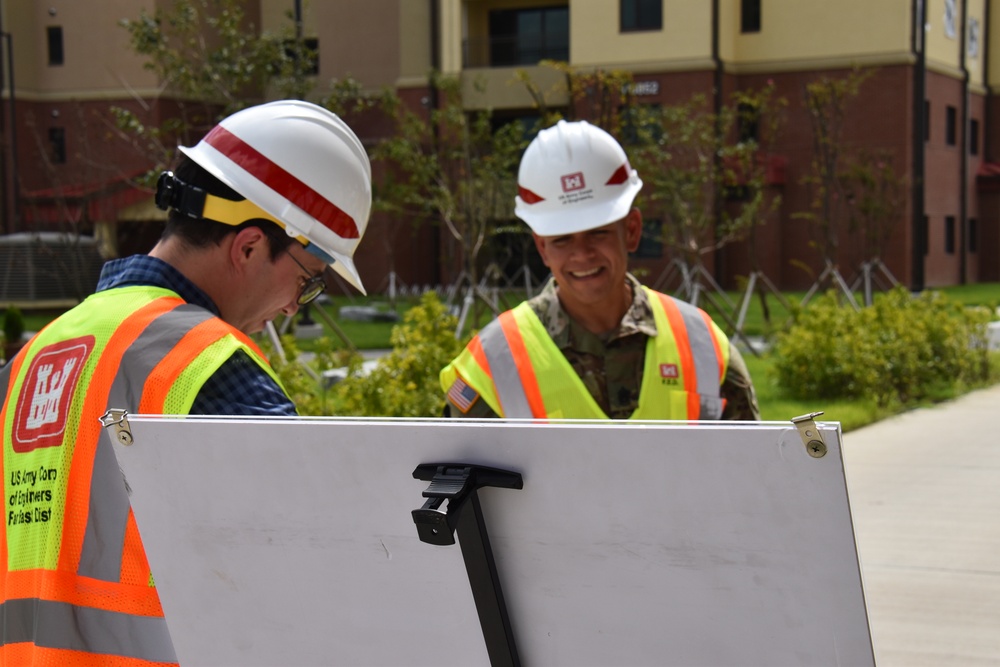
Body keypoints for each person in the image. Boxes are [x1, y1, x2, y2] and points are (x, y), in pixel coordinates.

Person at [0, 100, 372, 664]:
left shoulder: (29, 361)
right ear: (248, 246)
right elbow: (311, 571)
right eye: (309, 281)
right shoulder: (210, 364)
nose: (296, 307)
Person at [441, 119, 759, 421]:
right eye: (562, 239)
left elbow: (754, 468)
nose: (582, 253)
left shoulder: (700, 344)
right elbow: (461, 475)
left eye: (598, 232)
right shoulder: (494, 362)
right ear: (542, 248)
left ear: (632, 230)